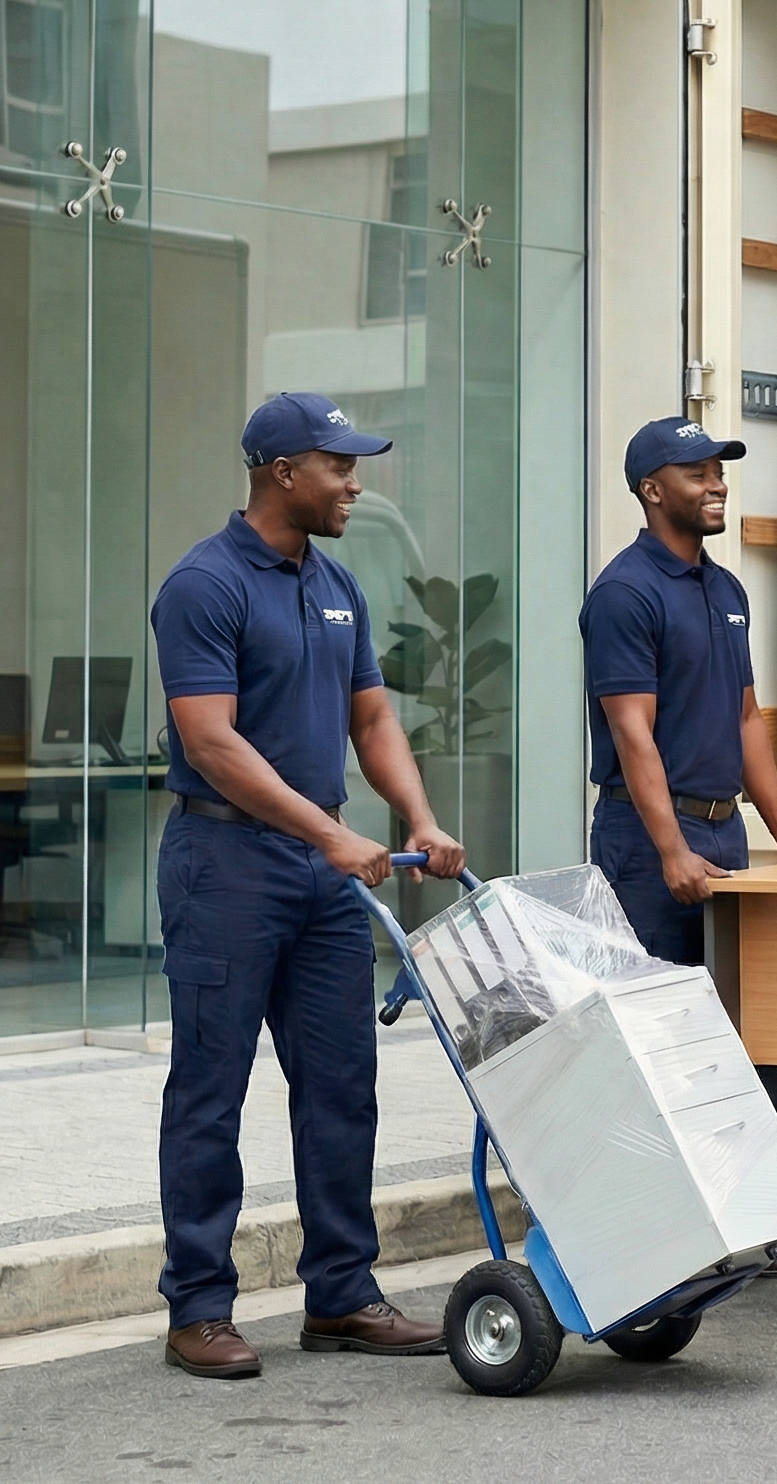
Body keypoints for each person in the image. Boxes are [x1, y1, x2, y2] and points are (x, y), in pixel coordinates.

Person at [150, 393, 467, 1380]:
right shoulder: (203, 585)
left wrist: (416, 815)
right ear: (283, 471)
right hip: (227, 862)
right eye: (340, 465)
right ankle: (197, 1306)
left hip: (320, 875)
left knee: (341, 1085)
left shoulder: (335, 583)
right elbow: (210, 738)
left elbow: (371, 718)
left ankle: (341, 1292)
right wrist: (330, 830)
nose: (355, 482)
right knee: (211, 1090)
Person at [580, 416, 777, 1275]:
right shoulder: (625, 594)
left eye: (718, 469)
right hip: (651, 836)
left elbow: (744, 720)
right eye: (695, 472)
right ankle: (664, 1237)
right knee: (660, 1038)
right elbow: (633, 737)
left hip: (721, 827)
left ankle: (742, 1217)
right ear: (653, 489)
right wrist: (669, 850)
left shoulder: (725, 588)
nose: (715, 483)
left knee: (731, 1033)